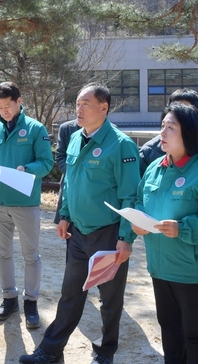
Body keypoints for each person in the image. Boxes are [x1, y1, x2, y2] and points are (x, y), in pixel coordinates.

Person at [19, 83, 140, 364]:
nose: (79, 109)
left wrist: (126, 238)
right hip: (77, 233)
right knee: (70, 294)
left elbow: (129, 195)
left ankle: (105, 352)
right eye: (77, 104)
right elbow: (69, 184)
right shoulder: (75, 138)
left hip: (108, 234)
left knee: (109, 300)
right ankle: (50, 351)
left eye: (85, 103)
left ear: (104, 108)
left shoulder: (121, 145)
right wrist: (64, 215)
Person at [138, 88, 198, 364]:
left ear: (188, 133)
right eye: (162, 126)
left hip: (192, 271)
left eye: (171, 128)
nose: (162, 133)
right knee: (170, 331)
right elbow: (142, 202)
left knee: (196, 335)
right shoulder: (155, 167)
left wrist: (184, 228)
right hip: (160, 266)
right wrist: (138, 222)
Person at [0, 82, 54, 329]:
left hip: (25, 202)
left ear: (19, 101)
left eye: (7, 105)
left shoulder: (35, 128)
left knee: (30, 254)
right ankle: (8, 298)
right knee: (3, 253)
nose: (4, 110)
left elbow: (46, 162)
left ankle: (30, 302)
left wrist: (27, 169)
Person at [53, 119, 80, 225]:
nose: (80, 109)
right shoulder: (66, 128)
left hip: (94, 189)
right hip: (69, 184)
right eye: (78, 104)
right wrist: (73, 175)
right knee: (68, 226)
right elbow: (60, 156)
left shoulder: (111, 130)